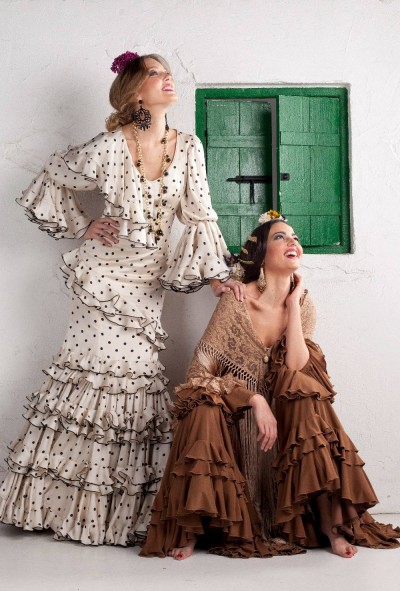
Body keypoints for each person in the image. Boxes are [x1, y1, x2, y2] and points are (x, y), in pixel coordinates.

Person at [0, 51, 242, 546]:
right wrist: (84, 225)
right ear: (135, 92)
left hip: (146, 282)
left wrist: (219, 277)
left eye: (168, 72)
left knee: (137, 381)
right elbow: (54, 173)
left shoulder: (189, 147)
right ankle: (62, 507)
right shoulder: (110, 145)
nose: (168, 78)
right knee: (91, 380)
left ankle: (129, 512)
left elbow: (201, 214)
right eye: (155, 73)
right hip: (100, 280)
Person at [140, 211, 400, 559]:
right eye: (280, 237)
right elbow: (197, 375)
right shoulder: (236, 301)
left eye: (295, 237)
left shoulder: (303, 304)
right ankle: (191, 527)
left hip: (284, 418)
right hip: (237, 419)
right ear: (262, 256)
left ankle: (330, 524)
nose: (292, 242)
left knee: (305, 392)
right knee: (202, 406)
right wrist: (254, 400)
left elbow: (296, 366)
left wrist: (293, 304)